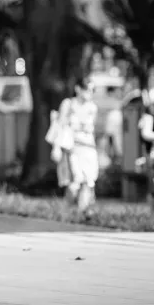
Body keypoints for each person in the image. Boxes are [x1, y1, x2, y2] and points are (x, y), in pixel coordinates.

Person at [57, 76, 100, 211]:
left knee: (88, 182)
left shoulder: (93, 107)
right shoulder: (68, 104)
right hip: (72, 148)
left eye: (93, 90)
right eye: (87, 89)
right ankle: (66, 211)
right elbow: (60, 126)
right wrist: (56, 148)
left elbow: (94, 130)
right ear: (78, 89)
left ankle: (82, 213)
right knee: (74, 184)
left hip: (89, 148)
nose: (90, 93)